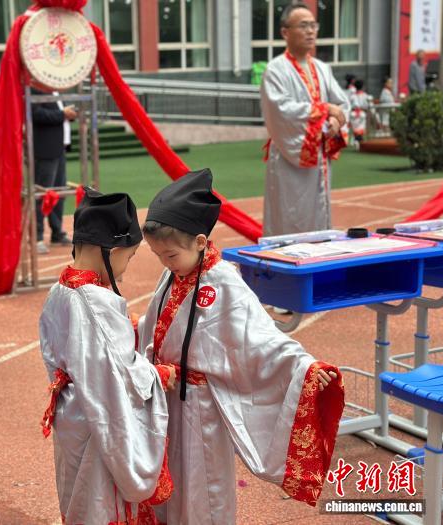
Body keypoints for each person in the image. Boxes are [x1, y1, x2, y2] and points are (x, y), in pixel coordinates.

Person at [137, 169, 345, 524]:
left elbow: (261, 339)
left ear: (200, 242)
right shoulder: (175, 272)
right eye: (158, 256)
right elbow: (157, 324)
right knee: (170, 484)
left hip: (199, 409)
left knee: (203, 489)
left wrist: (305, 367)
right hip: (168, 397)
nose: (164, 263)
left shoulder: (224, 283)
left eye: (169, 255)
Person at [39, 188, 174, 524]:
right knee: (101, 499)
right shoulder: (97, 302)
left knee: (77, 495)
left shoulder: (60, 290)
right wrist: (158, 375)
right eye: (128, 257)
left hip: (72, 412)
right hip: (96, 421)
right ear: (112, 252)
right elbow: (121, 375)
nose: (125, 269)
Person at [260, 2, 349, 237]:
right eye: (303, 26)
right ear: (285, 32)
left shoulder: (322, 68)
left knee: (319, 216)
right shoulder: (275, 70)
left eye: (313, 25)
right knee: (289, 217)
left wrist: (336, 121)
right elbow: (280, 110)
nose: (310, 31)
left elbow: (342, 104)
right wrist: (325, 110)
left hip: (318, 158)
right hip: (289, 157)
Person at [31, 88, 77, 255]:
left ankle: (57, 232)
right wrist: (62, 114)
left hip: (59, 148)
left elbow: (61, 113)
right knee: (42, 194)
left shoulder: (56, 91)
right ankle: (37, 236)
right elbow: (37, 114)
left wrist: (69, 114)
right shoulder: (35, 91)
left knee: (58, 193)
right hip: (45, 150)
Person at [349, 79, 371, 146]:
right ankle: (358, 141)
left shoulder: (352, 96)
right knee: (360, 129)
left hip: (353, 114)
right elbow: (367, 105)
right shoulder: (365, 95)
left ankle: (357, 141)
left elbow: (349, 106)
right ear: (362, 86)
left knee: (355, 129)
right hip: (361, 113)